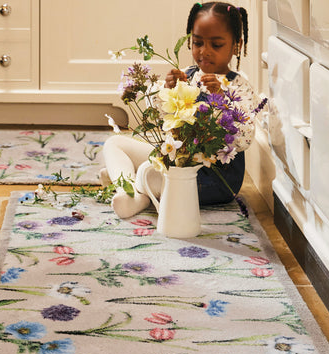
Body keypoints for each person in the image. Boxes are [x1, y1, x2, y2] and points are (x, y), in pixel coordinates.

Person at [100, 1, 260, 219]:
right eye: (197, 42)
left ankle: (132, 185)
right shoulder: (188, 75)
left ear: (236, 45)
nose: (205, 51)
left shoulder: (240, 87)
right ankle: (128, 192)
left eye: (216, 45)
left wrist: (222, 101)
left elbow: (245, 138)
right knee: (114, 144)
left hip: (213, 178)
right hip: (177, 161)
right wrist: (166, 90)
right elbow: (161, 119)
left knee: (150, 172)